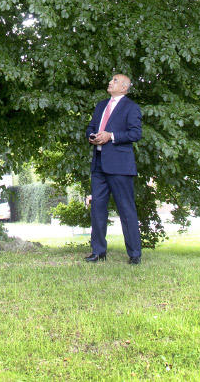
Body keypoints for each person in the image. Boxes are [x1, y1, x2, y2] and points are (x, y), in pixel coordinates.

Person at [85, 72, 142, 264]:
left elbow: (135, 133)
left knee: (126, 210)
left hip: (120, 166)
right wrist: (92, 136)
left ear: (125, 87)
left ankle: (135, 255)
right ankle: (98, 252)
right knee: (98, 209)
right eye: (111, 80)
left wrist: (111, 136)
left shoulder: (131, 107)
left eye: (115, 81)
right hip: (99, 163)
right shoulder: (101, 105)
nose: (110, 82)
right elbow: (90, 127)